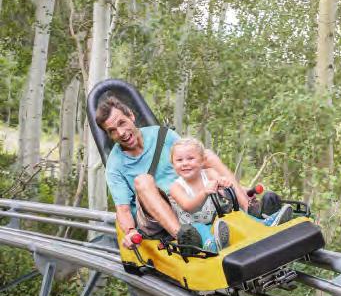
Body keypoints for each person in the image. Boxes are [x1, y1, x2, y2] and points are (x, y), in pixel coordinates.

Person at [95, 95, 256, 250]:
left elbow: (192, 160)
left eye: (122, 123)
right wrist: (130, 231)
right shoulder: (115, 165)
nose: (121, 133)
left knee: (206, 155)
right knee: (142, 180)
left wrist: (227, 184)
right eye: (112, 131)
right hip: (155, 215)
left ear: (131, 116)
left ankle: (249, 209)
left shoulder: (162, 135)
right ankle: (186, 238)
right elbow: (123, 209)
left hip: (187, 198)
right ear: (109, 135)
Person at [168, 137, 292, 252]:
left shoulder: (209, 173)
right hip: (194, 225)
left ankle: (263, 223)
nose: (184, 163)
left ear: (201, 161)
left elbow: (222, 186)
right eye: (179, 160)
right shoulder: (176, 187)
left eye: (190, 158)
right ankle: (212, 244)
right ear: (173, 164)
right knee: (200, 228)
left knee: (235, 214)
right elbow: (189, 207)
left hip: (217, 219)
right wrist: (204, 192)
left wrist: (224, 184)